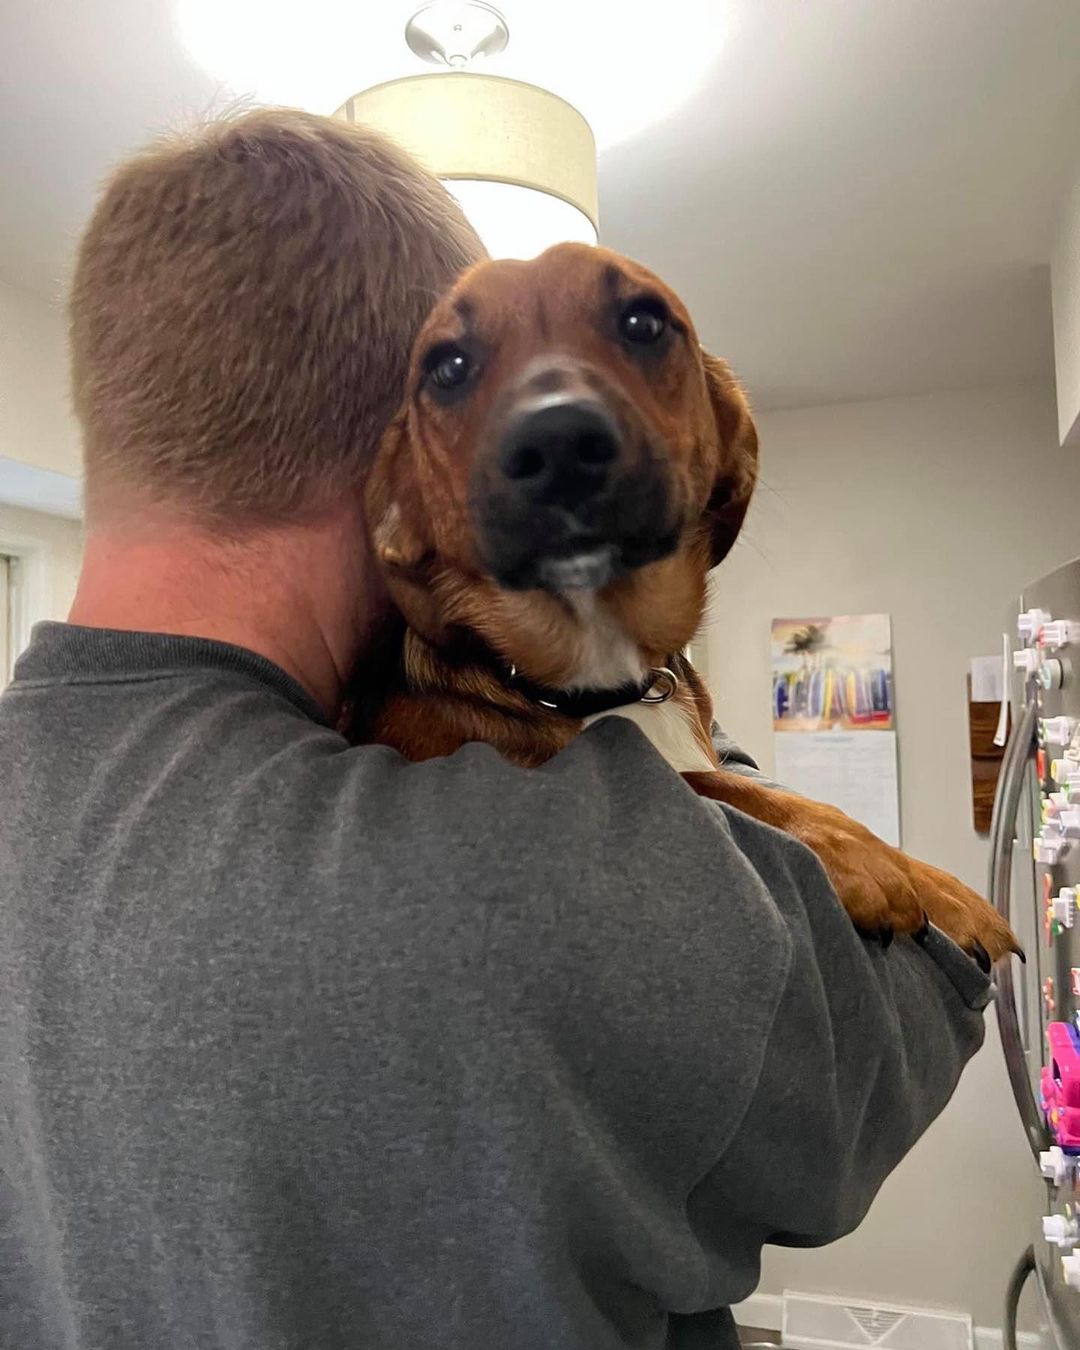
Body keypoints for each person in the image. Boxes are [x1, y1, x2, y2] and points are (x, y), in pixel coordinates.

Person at [0, 109, 991, 1350]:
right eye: (460, 369)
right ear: (402, 481)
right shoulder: (546, 883)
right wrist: (671, 733)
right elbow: (940, 989)